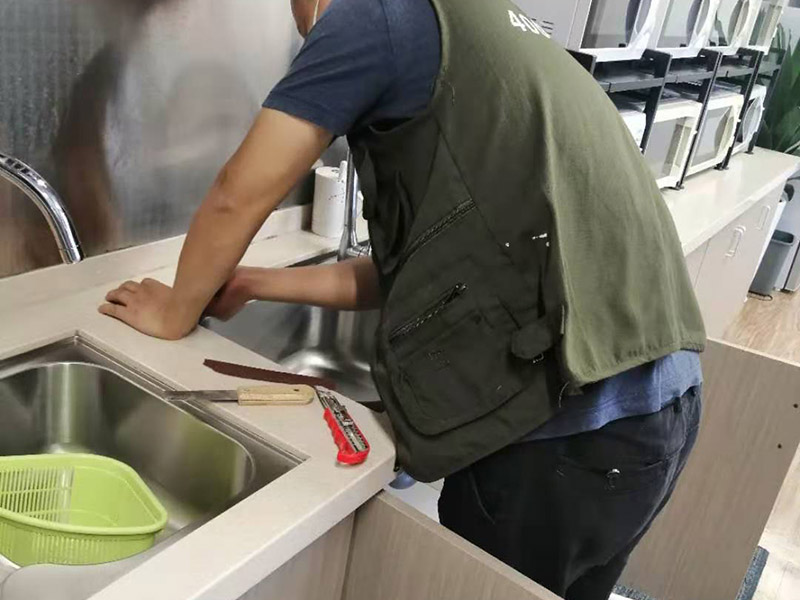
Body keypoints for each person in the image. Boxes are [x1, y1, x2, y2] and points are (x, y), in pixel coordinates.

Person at [100, 1, 706, 598]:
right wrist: (256, 283)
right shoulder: (474, 30)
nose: (303, 30)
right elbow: (415, 273)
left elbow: (239, 191)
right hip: (657, 413)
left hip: (561, 434)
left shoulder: (372, 14)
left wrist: (176, 310)